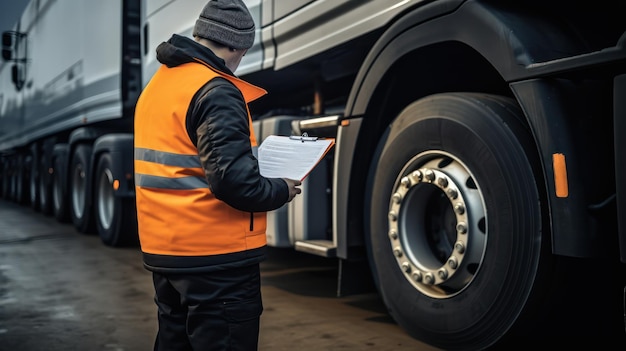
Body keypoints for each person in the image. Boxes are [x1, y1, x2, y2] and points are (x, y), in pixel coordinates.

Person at [133, 0, 302, 350]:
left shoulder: (156, 88)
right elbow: (233, 182)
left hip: (167, 255)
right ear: (238, 46)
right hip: (216, 261)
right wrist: (282, 190)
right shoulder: (216, 90)